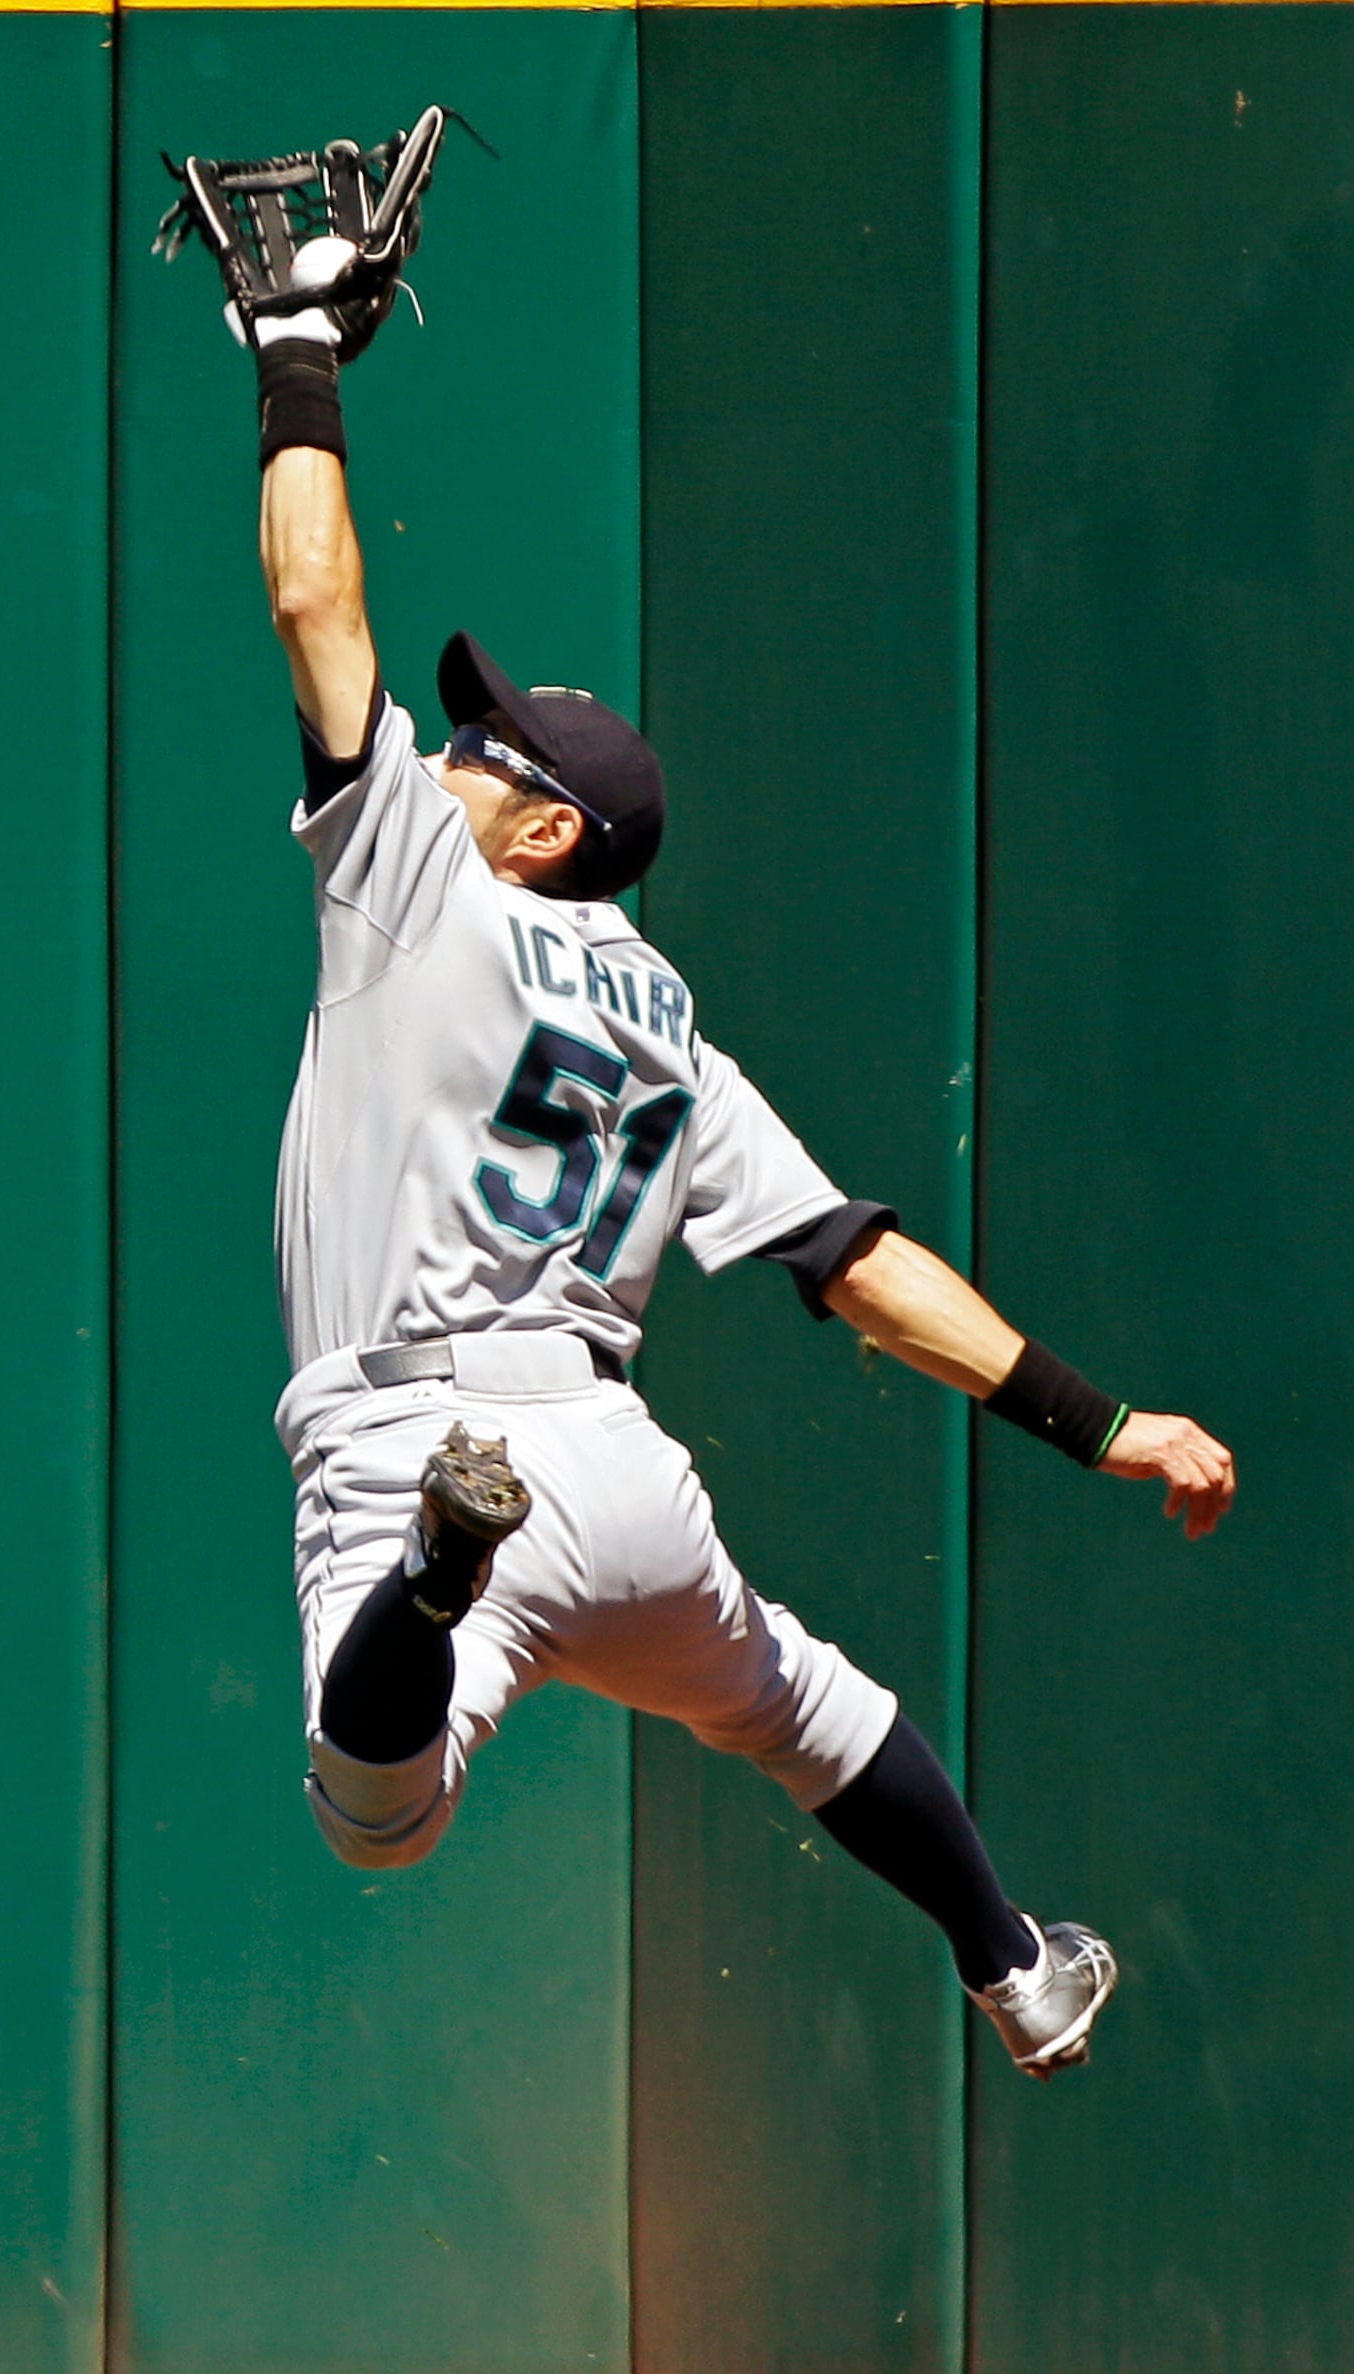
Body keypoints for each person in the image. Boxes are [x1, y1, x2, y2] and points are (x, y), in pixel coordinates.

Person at [239, 268, 1235, 2085]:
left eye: (485, 754)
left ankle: (432, 1580)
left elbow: (314, 593)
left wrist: (293, 355)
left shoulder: (425, 881)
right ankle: (1012, 1958)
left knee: (369, 1810)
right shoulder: (670, 1017)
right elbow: (857, 1261)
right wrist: (1107, 1425)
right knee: (802, 1703)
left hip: (420, 1436)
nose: (448, 756)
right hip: (620, 1472)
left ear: (548, 832)